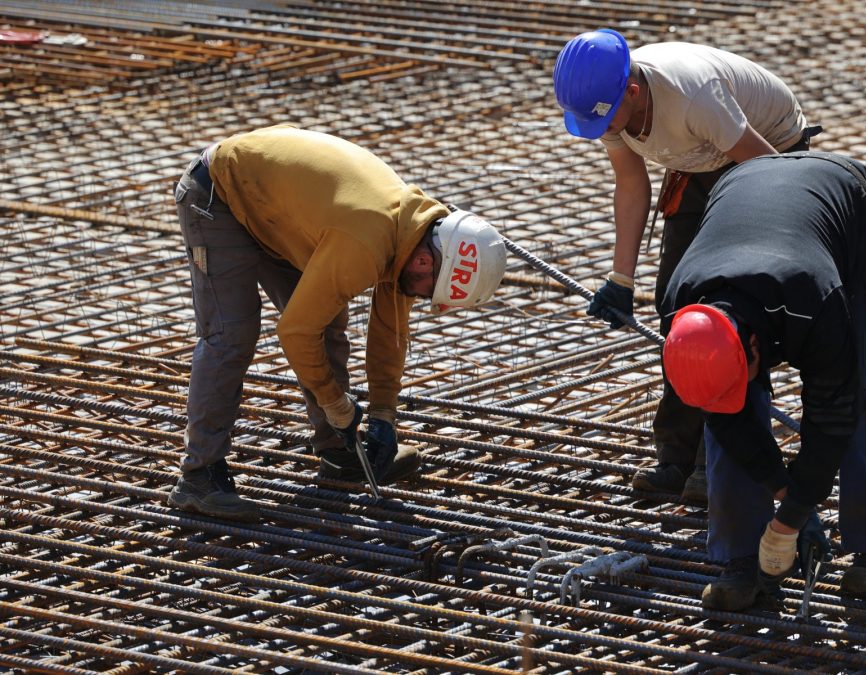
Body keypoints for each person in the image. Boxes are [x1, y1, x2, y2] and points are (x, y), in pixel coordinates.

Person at [167, 125, 507, 522]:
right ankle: (199, 475)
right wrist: (335, 402)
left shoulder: (417, 233)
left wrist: (383, 415)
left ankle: (337, 450)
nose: (422, 298)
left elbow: (389, 334)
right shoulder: (366, 241)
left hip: (274, 210)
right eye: (429, 291)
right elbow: (294, 332)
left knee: (326, 324)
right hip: (218, 196)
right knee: (232, 334)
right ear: (425, 262)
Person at [553, 29, 821, 504]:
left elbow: (768, 173)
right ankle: (675, 458)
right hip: (699, 159)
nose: (602, 130)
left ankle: (718, 460)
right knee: (677, 306)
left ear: (632, 92)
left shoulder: (693, 97)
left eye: (604, 118)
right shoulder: (610, 105)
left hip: (766, 156)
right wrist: (621, 278)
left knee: (735, 311)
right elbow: (631, 186)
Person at [659, 151, 866, 610]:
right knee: (729, 412)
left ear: (754, 348)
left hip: (853, 205)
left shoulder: (814, 299)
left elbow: (833, 414)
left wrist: (791, 517)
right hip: (748, 193)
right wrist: (784, 490)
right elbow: (725, 417)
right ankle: (740, 560)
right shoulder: (678, 308)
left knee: (865, 391)